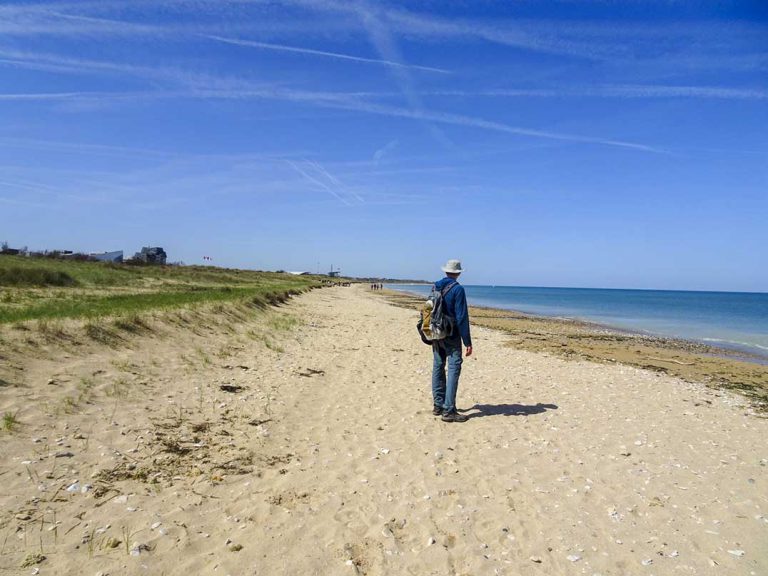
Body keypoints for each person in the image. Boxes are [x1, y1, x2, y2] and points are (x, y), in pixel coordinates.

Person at [431, 259, 473, 423]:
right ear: (458, 273)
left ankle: (438, 405)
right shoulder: (458, 289)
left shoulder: (435, 286)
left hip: (436, 331)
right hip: (452, 334)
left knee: (438, 365)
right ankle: (449, 410)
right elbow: (462, 317)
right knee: (454, 367)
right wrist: (467, 341)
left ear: (446, 271)